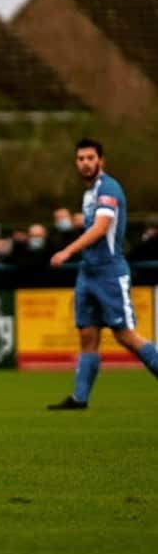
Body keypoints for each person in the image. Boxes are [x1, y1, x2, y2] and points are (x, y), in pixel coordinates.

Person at [48, 138, 158, 410]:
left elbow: (100, 228)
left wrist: (67, 252)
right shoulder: (89, 193)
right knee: (87, 335)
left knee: (126, 336)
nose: (85, 163)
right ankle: (79, 398)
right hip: (88, 273)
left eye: (90, 158)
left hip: (109, 272)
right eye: (80, 159)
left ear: (101, 161)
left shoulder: (108, 188)